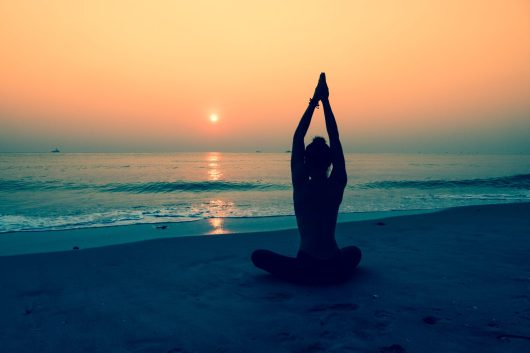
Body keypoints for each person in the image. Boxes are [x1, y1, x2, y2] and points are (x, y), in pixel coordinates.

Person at [251, 73, 362, 285]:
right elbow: (335, 137)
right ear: (330, 162)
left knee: (258, 256)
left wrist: (314, 102)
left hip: (306, 268)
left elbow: (298, 137)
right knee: (355, 252)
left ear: (305, 163)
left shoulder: (302, 186)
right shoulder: (337, 183)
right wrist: (326, 101)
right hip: (334, 267)